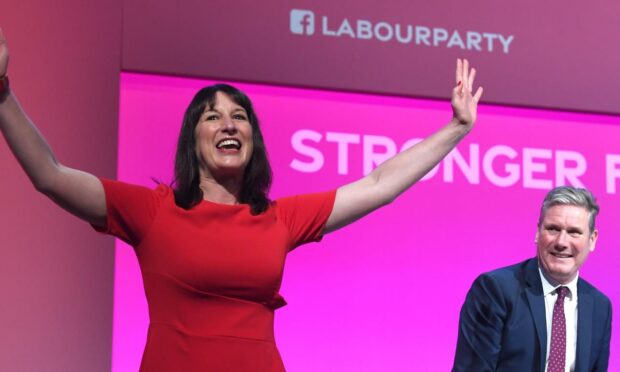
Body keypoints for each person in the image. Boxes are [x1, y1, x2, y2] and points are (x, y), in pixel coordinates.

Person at [0, 27, 483, 371]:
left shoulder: (278, 219)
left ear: (253, 138)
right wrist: (1, 94)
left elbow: (380, 186)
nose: (228, 124)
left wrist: (456, 129)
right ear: (193, 141)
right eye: (211, 117)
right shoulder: (151, 211)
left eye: (240, 116)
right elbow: (49, 175)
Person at [453, 186, 611, 372]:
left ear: (592, 239)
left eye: (574, 232)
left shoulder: (600, 306)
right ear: (538, 232)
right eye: (553, 229)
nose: (561, 242)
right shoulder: (495, 290)